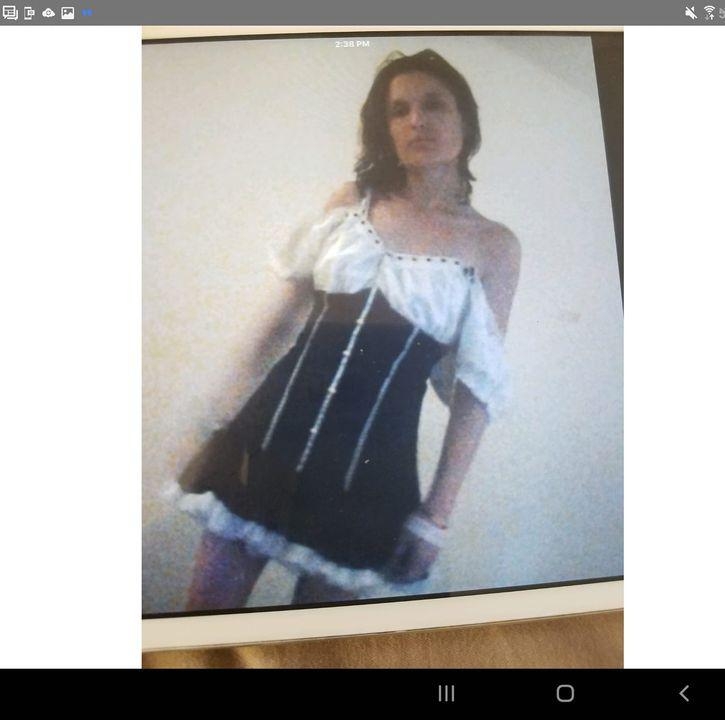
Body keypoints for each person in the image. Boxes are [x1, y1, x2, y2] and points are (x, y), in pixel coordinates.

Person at [173, 49, 521, 610]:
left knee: (318, 641)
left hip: (368, 481)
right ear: (385, 129)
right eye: (399, 110)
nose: (416, 120)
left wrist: (436, 516)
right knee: (205, 611)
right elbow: (277, 324)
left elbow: (474, 392)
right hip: (264, 441)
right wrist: (214, 419)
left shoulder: (494, 247)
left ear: (466, 122)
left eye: (434, 105)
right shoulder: (351, 204)